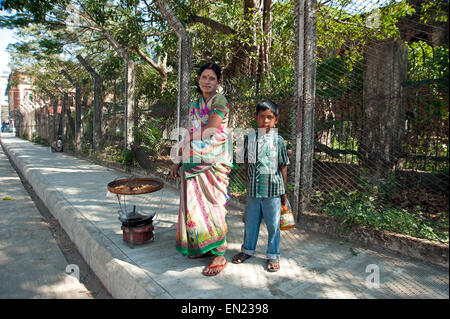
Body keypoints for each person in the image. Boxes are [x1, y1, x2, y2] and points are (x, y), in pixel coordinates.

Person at [170, 62, 233, 276]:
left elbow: (211, 130)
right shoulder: (194, 105)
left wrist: (184, 142)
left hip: (214, 161)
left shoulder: (220, 101)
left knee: (214, 204)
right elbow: (190, 130)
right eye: (204, 77)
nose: (207, 81)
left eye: (212, 78)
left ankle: (219, 253)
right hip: (192, 159)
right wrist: (178, 160)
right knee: (195, 204)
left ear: (218, 82)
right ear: (198, 80)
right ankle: (202, 245)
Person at [232, 100, 289, 272]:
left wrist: (284, 194)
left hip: (273, 192)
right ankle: (247, 250)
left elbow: (283, 167)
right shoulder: (249, 139)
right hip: (254, 191)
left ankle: (273, 255)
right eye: (262, 116)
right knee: (250, 222)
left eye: (269, 117)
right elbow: (247, 163)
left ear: (276, 120)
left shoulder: (278, 141)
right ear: (256, 118)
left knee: (273, 225)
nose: (265, 121)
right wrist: (248, 184)